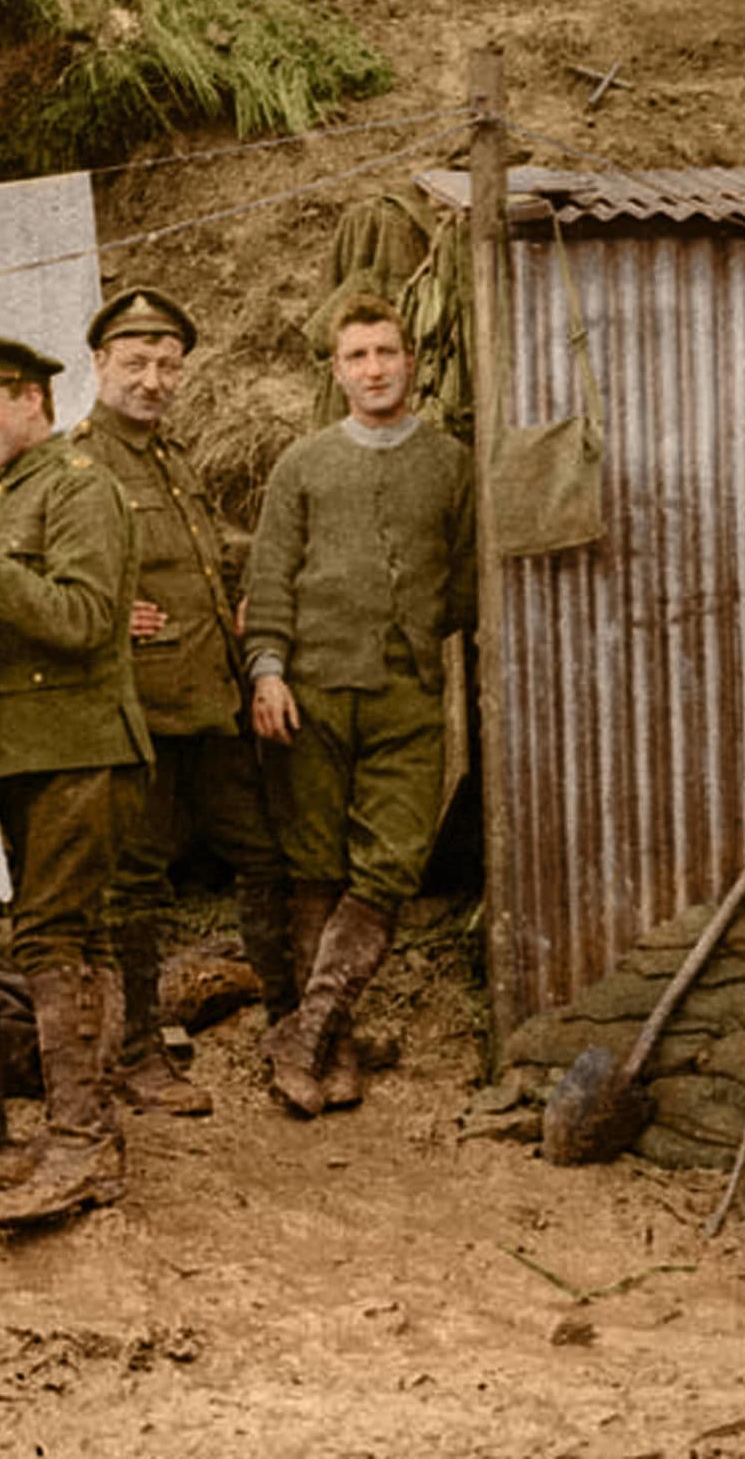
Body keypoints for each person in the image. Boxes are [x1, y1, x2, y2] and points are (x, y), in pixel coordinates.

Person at [0, 334, 153, 1229]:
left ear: (30, 397)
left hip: (82, 750)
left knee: (58, 935)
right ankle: (80, 1133)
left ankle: (83, 1143)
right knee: (71, 934)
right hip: (32, 753)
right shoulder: (15, 491)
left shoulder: (80, 486)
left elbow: (88, 620)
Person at [244, 294, 474, 1117]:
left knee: (390, 865)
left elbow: (467, 581)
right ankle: (332, 1046)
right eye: (357, 357)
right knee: (315, 864)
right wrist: (269, 670)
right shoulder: (301, 465)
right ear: (336, 372)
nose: (374, 369)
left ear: (411, 361)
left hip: (409, 695)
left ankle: (303, 1032)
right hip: (309, 694)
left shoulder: (451, 464)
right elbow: (268, 577)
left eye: (386, 352)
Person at [66, 288, 288, 1119]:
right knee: (133, 883)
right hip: (138, 716)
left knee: (266, 855)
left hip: (211, 704)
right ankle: (134, 1054)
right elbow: (35, 571)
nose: (154, 380)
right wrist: (100, 608)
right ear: (98, 364)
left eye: (168, 365)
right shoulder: (79, 462)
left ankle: (290, 1025)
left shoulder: (172, 457)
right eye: (136, 363)